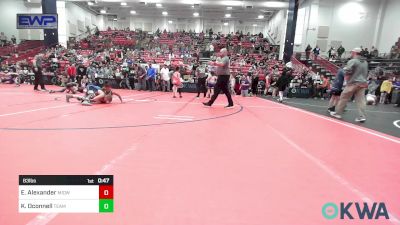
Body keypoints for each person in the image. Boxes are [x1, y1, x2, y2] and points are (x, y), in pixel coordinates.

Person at [330, 48, 369, 122]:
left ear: (354, 53)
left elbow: (347, 71)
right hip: (362, 84)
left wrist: (347, 79)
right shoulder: (365, 62)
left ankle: (338, 113)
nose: (351, 53)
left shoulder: (353, 61)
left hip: (352, 83)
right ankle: (362, 116)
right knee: (361, 101)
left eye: (352, 52)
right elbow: (366, 73)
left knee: (344, 98)